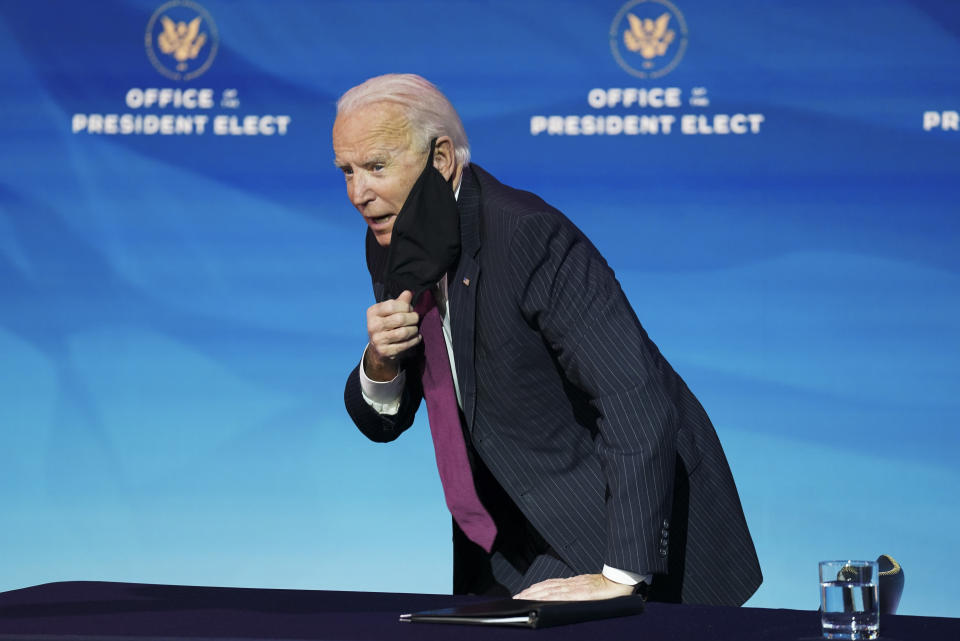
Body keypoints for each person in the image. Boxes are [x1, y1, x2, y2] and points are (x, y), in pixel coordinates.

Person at [338, 73, 762, 604]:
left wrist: (621, 575)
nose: (358, 193)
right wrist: (382, 362)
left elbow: (636, 399)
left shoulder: (528, 236)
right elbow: (389, 422)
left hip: (614, 522)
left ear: (441, 159)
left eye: (376, 167)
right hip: (500, 534)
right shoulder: (390, 239)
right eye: (347, 172)